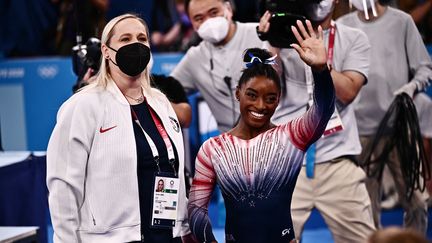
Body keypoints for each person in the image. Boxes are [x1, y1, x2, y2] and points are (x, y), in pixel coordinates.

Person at [46, 13, 193, 243]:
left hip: (166, 235)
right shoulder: (83, 106)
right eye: (125, 39)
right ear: (106, 51)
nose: (135, 44)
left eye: (141, 38)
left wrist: (183, 228)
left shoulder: (161, 102)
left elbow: (173, 169)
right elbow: (64, 187)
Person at [188, 20, 336, 243]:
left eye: (270, 99)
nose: (260, 106)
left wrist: (320, 70)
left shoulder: (290, 137)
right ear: (238, 93)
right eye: (252, 95)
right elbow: (196, 211)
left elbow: (323, 111)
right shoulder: (212, 149)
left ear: (278, 101)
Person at [258, 1, 376, 242]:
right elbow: (268, 91)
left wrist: (322, 66)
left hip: (338, 162)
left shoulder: (354, 38)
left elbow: (349, 91)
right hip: (284, 164)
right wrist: (271, 42)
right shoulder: (280, 37)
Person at [338, 0, 432, 234]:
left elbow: (425, 68)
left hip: (399, 129)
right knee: (365, 210)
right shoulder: (342, 26)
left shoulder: (402, 22)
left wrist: (412, 87)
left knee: (418, 201)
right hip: (359, 133)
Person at [170, 0, 264, 133]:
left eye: (214, 12)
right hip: (231, 147)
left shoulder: (261, 34)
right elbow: (162, 92)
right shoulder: (194, 58)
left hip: (279, 139)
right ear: (192, 24)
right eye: (198, 18)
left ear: (228, 9)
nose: (208, 21)